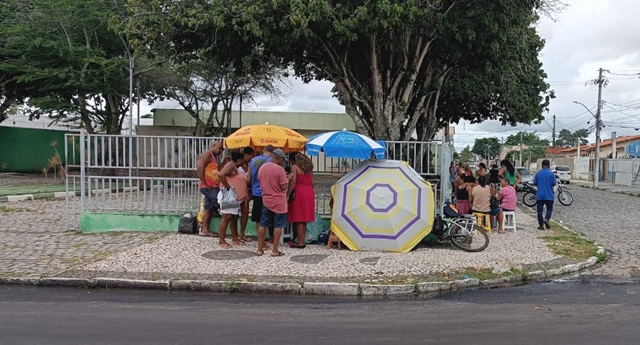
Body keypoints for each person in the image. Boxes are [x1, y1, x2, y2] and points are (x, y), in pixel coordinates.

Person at [256, 149, 290, 257]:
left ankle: (259, 249)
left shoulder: (262, 167)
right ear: (278, 158)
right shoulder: (280, 170)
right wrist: (288, 179)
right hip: (279, 201)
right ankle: (275, 250)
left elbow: (260, 181)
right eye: (281, 159)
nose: (282, 161)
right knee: (278, 225)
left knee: (263, 224)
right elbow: (283, 187)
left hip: (266, 199)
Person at [217, 151, 249, 247]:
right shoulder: (230, 165)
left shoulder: (234, 167)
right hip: (229, 197)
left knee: (233, 217)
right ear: (239, 160)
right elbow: (220, 174)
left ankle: (235, 238)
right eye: (242, 160)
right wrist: (227, 187)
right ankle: (221, 240)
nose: (243, 162)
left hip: (235, 198)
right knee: (226, 218)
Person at [247, 145, 275, 243]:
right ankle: (271, 238)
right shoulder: (273, 161)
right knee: (269, 216)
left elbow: (249, 179)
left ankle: (260, 241)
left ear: (264, 150)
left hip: (256, 192)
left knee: (258, 218)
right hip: (269, 192)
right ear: (273, 152)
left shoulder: (253, 160)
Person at [287, 152, 315, 248]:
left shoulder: (295, 167)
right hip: (309, 191)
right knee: (304, 218)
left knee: (299, 217)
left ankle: (300, 242)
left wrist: (288, 194)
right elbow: (313, 182)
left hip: (299, 192)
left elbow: (293, 182)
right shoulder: (308, 169)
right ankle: (302, 240)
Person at [197, 141, 223, 237]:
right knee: (220, 202)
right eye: (220, 148)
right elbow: (200, 167)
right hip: (209, 187)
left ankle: (205, 230)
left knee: (209, 208)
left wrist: (224, 162)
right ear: (213, 145)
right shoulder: (207, 154)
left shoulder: (214, 158)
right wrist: (204, 183)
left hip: (212, 186)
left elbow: (216, 170)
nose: (221, 151)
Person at [533, 159, 557, 230]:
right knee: (549, 209)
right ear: (549, 165)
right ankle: (546, 219)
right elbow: (554, 183)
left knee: (540, 210)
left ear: (542, 165)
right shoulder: (551, 174)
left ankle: (541, 225)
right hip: (549, 195)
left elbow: (535, 183)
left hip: (540, 195)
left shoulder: (538, 174)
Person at [237, 147, 255, 241]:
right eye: (251, 156)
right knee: (236, 213)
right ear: (246, 155)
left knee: (245, 212)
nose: (252, 158)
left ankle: (242, 234)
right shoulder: (237, 164)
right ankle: (238, 234)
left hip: (247, 190)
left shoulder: (250, 164)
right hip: (239, 189)